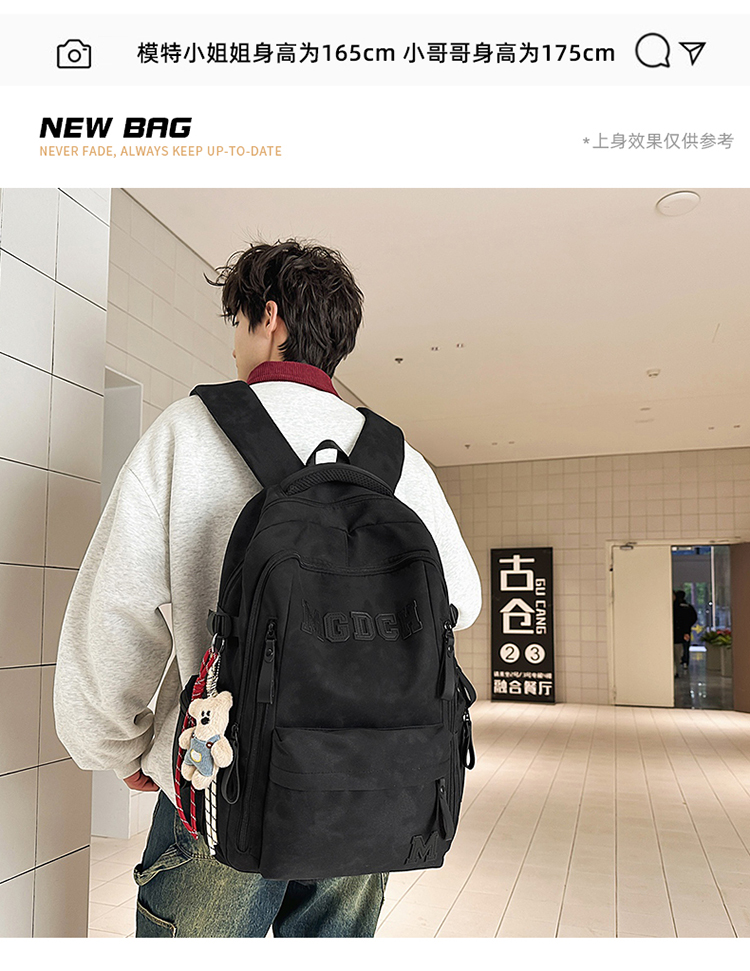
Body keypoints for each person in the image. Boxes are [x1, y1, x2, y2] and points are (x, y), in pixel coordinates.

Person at [53, 238, 482, 938]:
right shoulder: (398, 458)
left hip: (217, 775)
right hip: (365, 783)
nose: (234, 343)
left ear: (271, 317)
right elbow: (461, 601)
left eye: (238, 321)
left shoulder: (189, 432)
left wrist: (117, 744)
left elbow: (118, 608)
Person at [673, 589, 698, 677]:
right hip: (685, 631)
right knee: (685, 647)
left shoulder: (675, 607)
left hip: (678, 632)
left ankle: (677, 667)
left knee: (678, 649)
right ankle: (685, 662)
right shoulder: (688, 607)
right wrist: (688, 627)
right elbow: (694, 618)